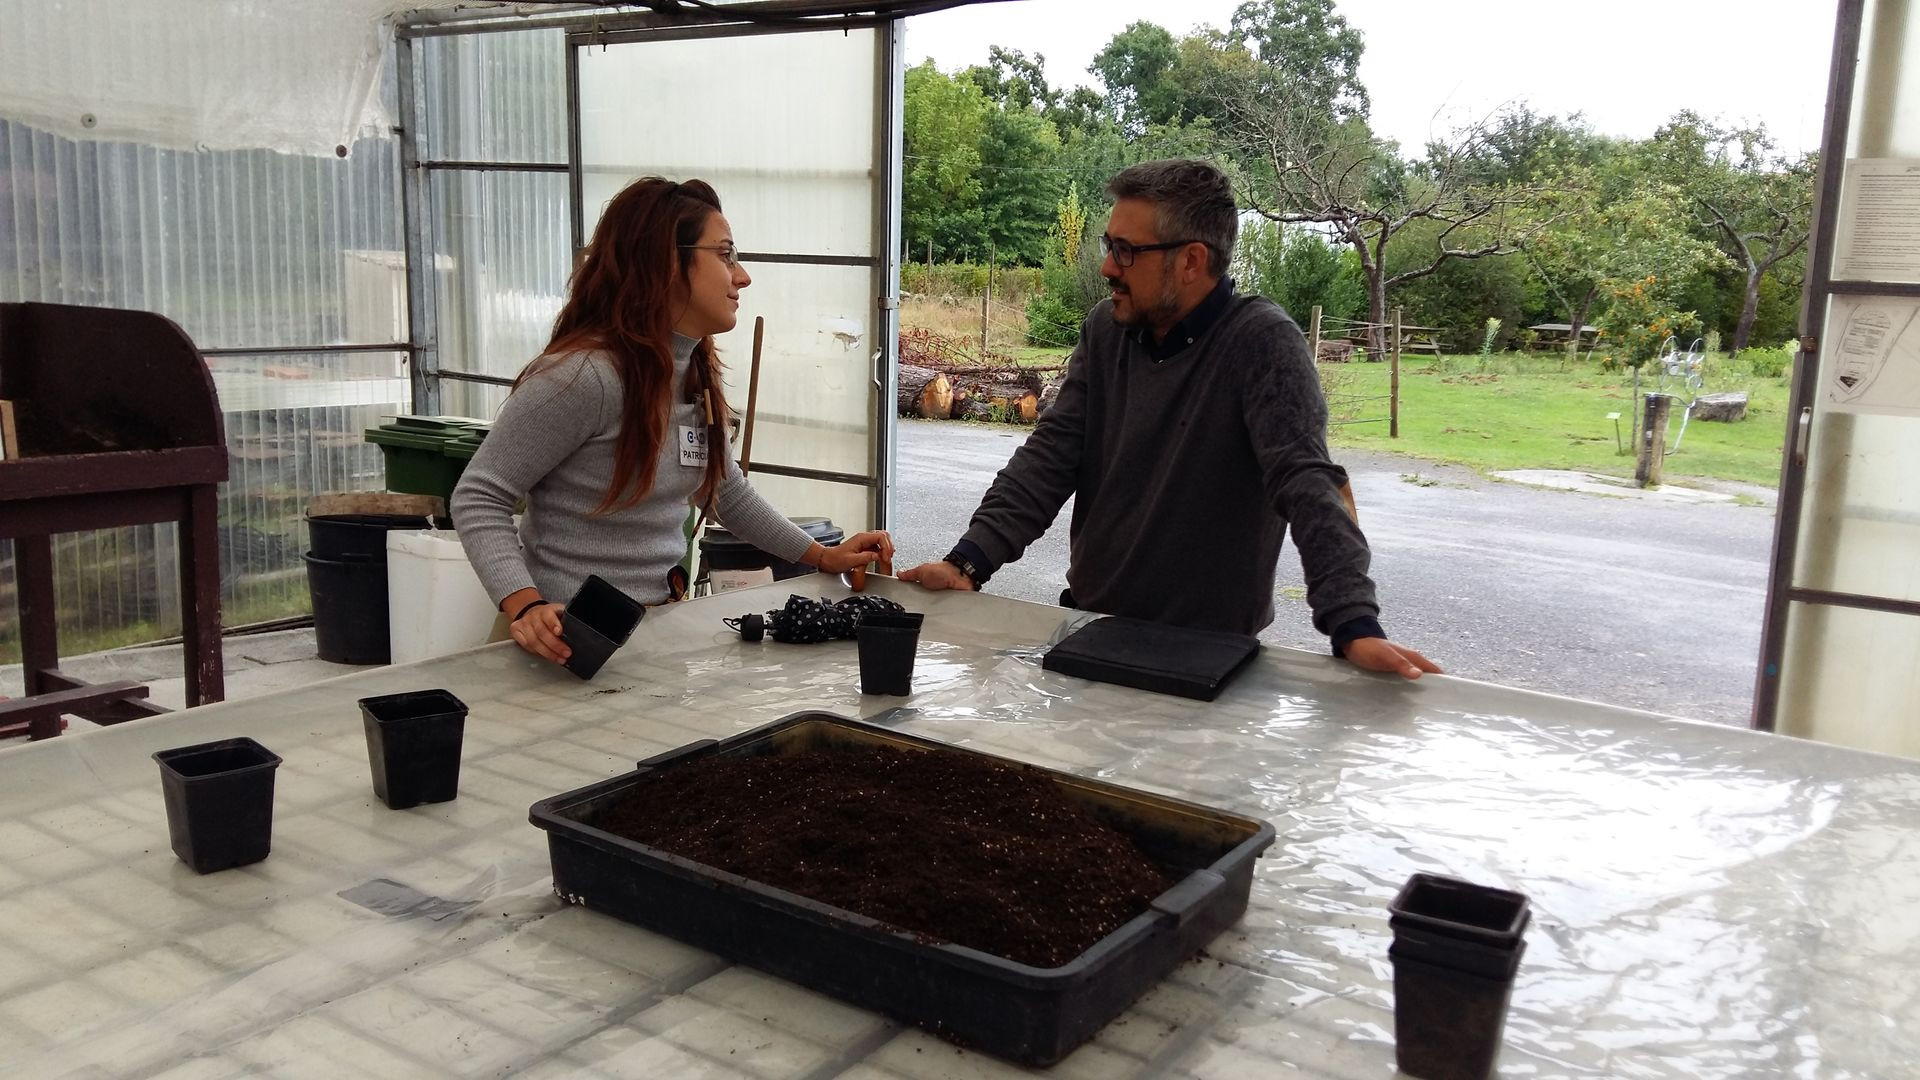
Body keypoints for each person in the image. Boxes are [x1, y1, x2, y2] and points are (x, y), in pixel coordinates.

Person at [900, 159, 1437, 679]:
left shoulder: (1261, 342)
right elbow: (1053, 454)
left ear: (1191, 261)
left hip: (1209, 654)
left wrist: (1353, 624)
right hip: (1091, 624)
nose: (1108, 266)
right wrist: (967, 562)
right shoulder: (1106, 330)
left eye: (1127, 251)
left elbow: (1307, 481)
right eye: (1109, 246)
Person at [453, 177, 892, 666]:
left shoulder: (692, 373)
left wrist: (820, 556)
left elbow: (725, 492)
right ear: (666, 262)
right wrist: (525, 604)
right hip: (561, 645)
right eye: (725, 255)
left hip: (650, 633)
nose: (742, 276)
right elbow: (479, 496)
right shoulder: (586, 377)